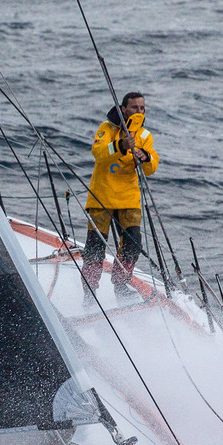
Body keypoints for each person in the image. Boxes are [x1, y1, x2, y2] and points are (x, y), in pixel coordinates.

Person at [81, 91, 158, 298]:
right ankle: (89, 291)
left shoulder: (144, 136)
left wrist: (145, 157)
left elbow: (151, 168)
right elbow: (98, 153)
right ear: (123, 109)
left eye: (142, 108)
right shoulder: (106, 128)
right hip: (102, 196)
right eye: (134, 107)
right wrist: (121, 146)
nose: (139, 111)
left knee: (133, 244)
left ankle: (120, 284)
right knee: (95, 246)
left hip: (128, 198)